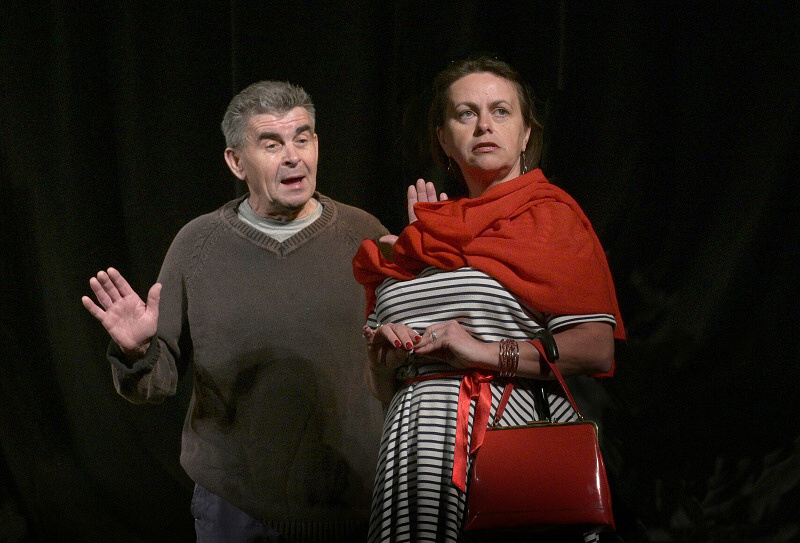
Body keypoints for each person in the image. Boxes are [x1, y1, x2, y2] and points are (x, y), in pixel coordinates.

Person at [82, 80, 389, 543]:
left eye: (302, 138)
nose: (293, 157)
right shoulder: (197, 244)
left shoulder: (364, 235)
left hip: (352, 500)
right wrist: (139, 352)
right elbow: (156, 384)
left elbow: (408, 355)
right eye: (272, 144)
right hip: (235, 508)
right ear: (236, 161)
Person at [352, 56, 626, 542]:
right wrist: (383, 361)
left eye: (501, 111)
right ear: (443, 138)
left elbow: (595, 348)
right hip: (412, 442)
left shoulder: (550, 218)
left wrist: (479, 351)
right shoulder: (423, 233)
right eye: (466, 113)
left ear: (525, 134)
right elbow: (382, 387)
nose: (484, 125)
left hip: (506, 439)